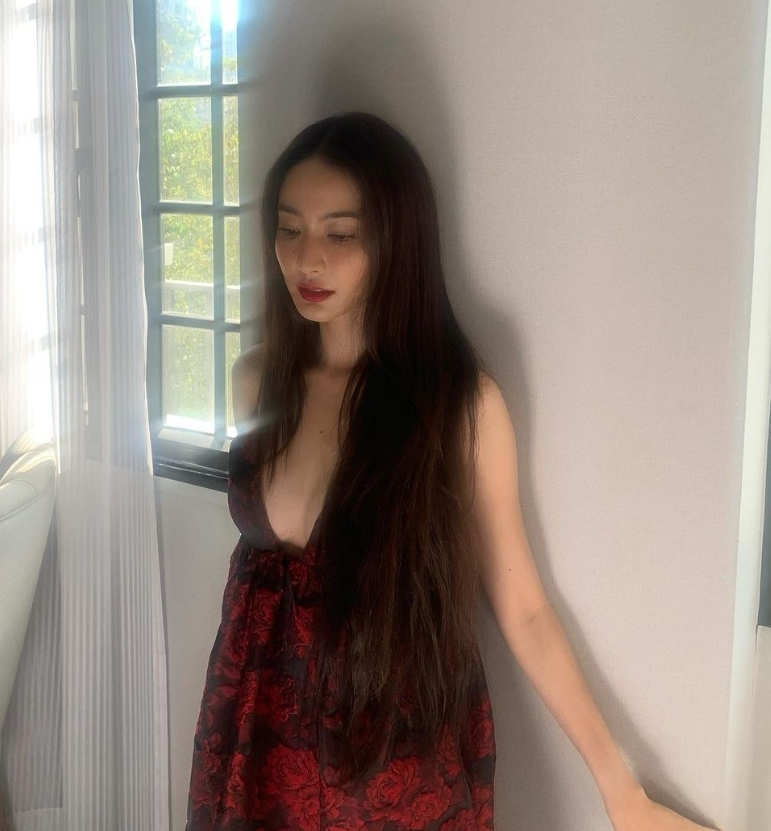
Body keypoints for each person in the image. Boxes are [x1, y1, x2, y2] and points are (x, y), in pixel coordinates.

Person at [185, 112, 719, 831]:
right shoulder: (256, 382)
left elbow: (523, 607)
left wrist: (621, 792)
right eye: (289, 228)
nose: (307, 259)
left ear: (395, 242)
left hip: (390, 762)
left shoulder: (457, 408)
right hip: (254, 739)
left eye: (341, 235)